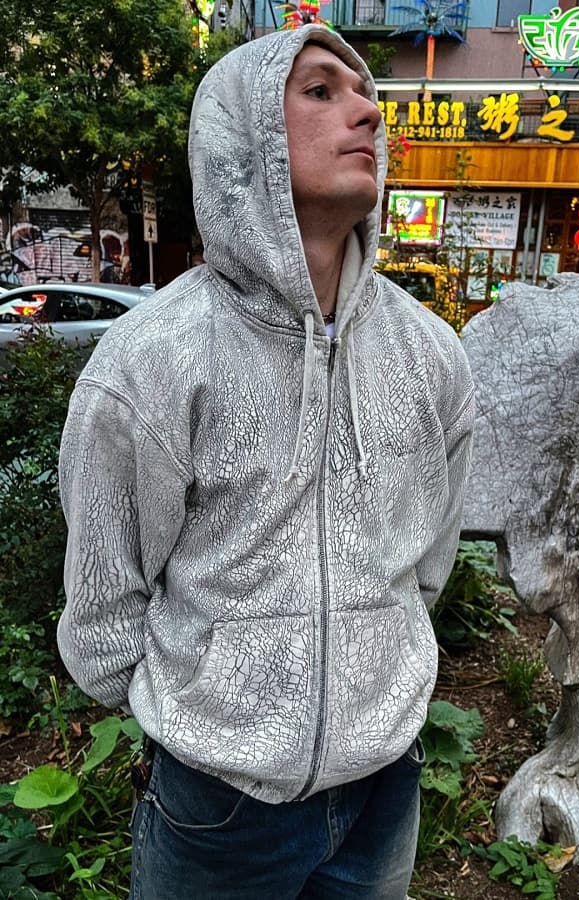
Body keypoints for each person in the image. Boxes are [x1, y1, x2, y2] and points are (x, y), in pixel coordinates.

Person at [57, 25, 474, 900]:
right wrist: (202, 711)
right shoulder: (154, 358)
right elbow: (105, 592)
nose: (367, 112)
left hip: (385, 786)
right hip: (217, 803)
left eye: (365, 94)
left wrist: (379, 658)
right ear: (240, 132)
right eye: (320, 91)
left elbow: (428, 560)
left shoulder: (430, 353)